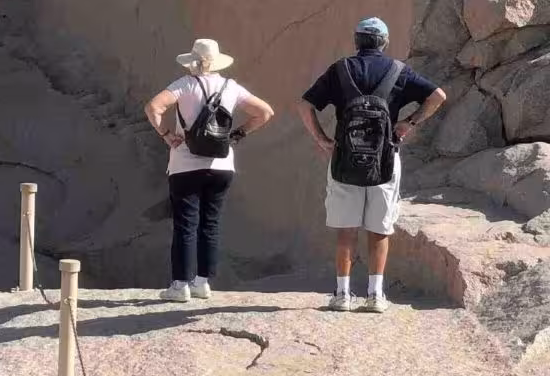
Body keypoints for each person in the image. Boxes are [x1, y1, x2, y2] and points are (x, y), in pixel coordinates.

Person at [294, 16, 448, 312]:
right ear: (384, 42)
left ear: (357, 41)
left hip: (344, 159)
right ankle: (375, 295)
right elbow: (438, 96)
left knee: (346, 229)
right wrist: (409, 123)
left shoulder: (340, 69)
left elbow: (304, 104)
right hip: (385, 159)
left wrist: (322, 140)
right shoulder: (399, 71)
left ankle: (342, 294)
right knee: (379, 229)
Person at [142, 38, 275, 302]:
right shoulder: (231, 87)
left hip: (185, 163)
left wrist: (166, 134)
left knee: (185, 224)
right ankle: (202, 283)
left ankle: (180, 285)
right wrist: (237, 135)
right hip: (222, 164)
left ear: (193, 62)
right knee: (210, 223)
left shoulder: (184, 84)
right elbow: (265, 112)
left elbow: (153, 107)